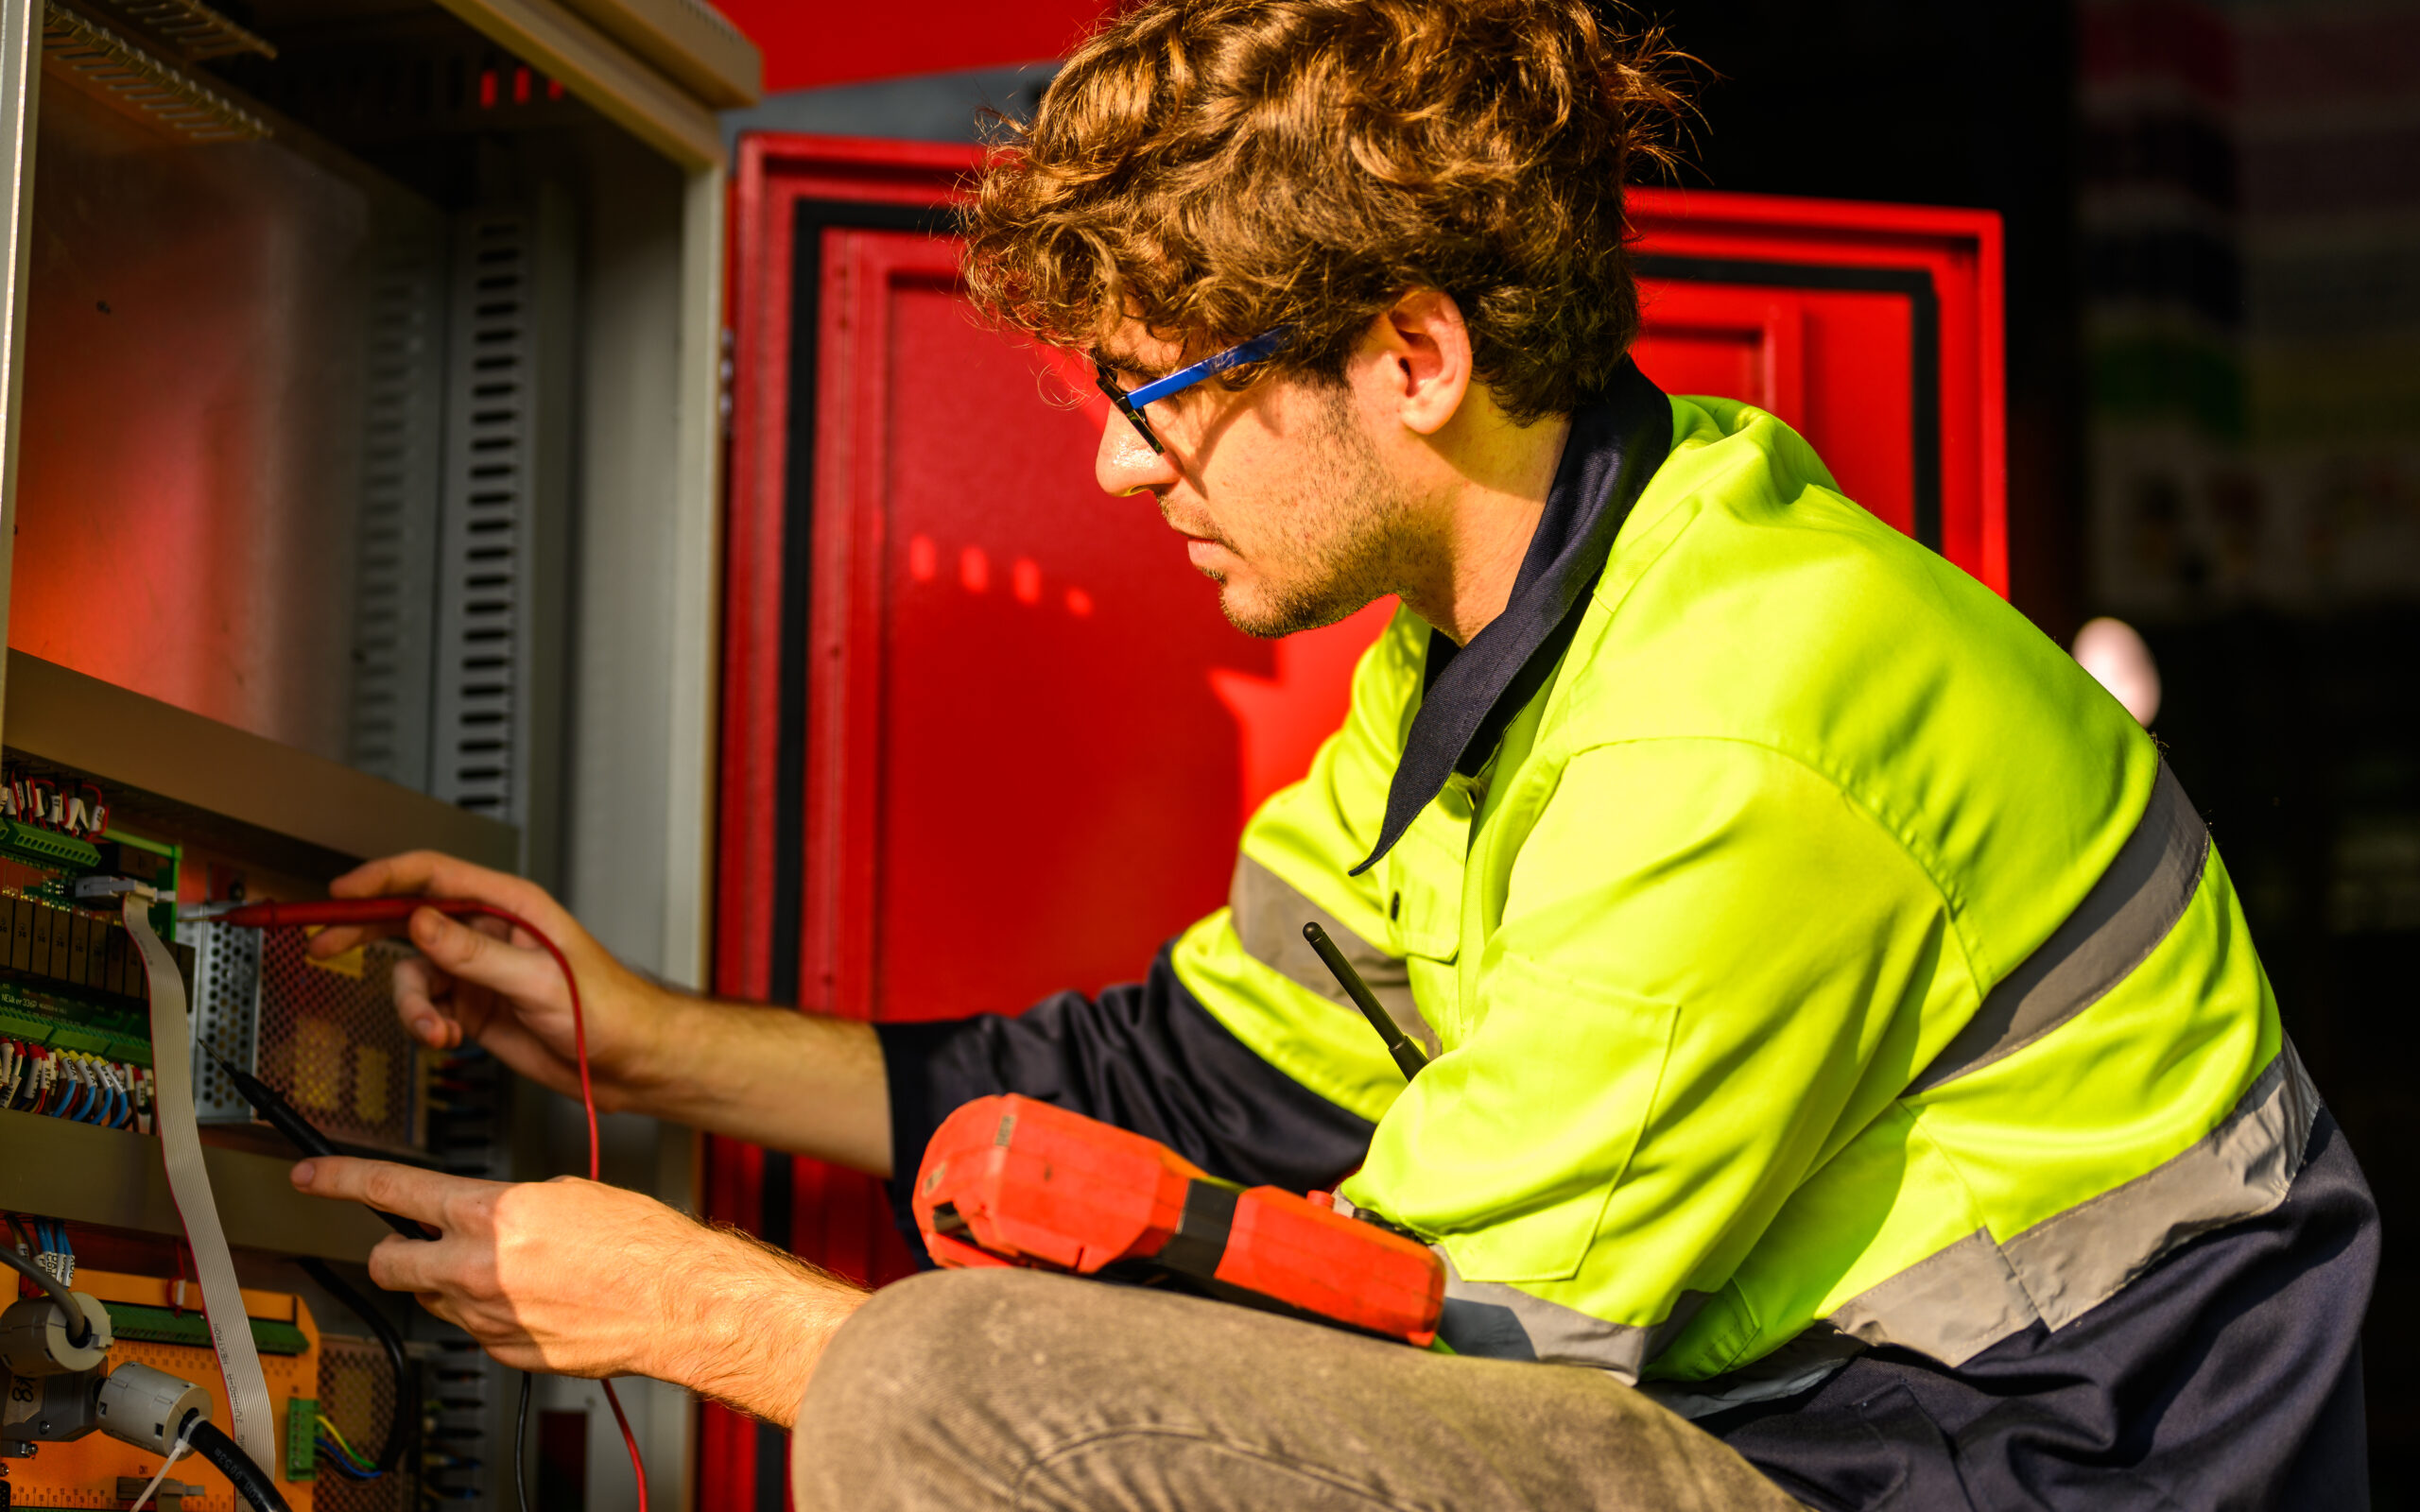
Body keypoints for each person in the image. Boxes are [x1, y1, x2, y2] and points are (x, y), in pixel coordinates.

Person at [289, 1, 2377, 1506]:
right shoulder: (1523, 629)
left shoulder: (1726, 733)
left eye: (1157, 386)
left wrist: (704, 1314)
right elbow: (1201, 1078)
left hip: (2029, 1480)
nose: (1115, 463)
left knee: (941, 1382)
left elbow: (1395, 1346)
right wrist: (642, 1039)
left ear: (1410, 355)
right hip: (1845, 1445)